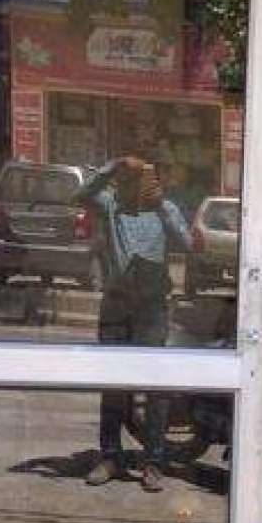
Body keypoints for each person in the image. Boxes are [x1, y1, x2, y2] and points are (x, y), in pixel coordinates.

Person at [78, 155, 192, 492]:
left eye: (146, 179)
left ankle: (153, 462)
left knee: (156, 386)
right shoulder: (111, 206)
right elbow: (82, 194)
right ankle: (110, 457)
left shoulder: (165, 210)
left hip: (151, 307)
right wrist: (113, 166)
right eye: (132, 178)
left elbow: (188, 244)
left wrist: (163, 208)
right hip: (116, 304)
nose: (139, 185)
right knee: (114, 384)